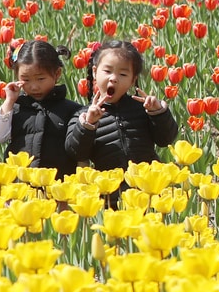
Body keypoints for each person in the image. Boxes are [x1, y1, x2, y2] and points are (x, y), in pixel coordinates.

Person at [66, 39, 178, 192]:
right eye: (107, 71)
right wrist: (88, 124)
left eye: (123, 74)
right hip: (111, 193)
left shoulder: (142, 110)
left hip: (147, 189)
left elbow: (166, 139)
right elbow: (76, 152)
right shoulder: (83, 115)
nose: (114, 78)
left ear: (133, 80)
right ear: (94, 72)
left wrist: (158, 113)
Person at [0, 40, 82, 177]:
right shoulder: (16, 108)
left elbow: (79, 149)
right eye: (26, 80)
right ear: (17, 77)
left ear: (57, 74)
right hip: (21, 187)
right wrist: (9, 102)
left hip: (57, 187)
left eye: (40, 79)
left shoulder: (71, 110)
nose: (34, 86)